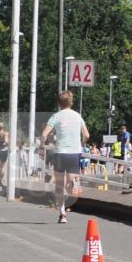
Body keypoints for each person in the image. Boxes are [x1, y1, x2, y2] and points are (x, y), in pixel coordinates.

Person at [41, 90, 90, 224]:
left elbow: (44, 135)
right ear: (71, 102)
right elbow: (87, 135)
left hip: (60, 153)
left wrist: (41, 148)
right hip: (74, 153)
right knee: (69, 186)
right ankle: (73, 183)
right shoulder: (77, 116)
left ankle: (62, 213)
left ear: (59, 103)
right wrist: (81, 144)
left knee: (58, 185)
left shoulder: (55, 116)